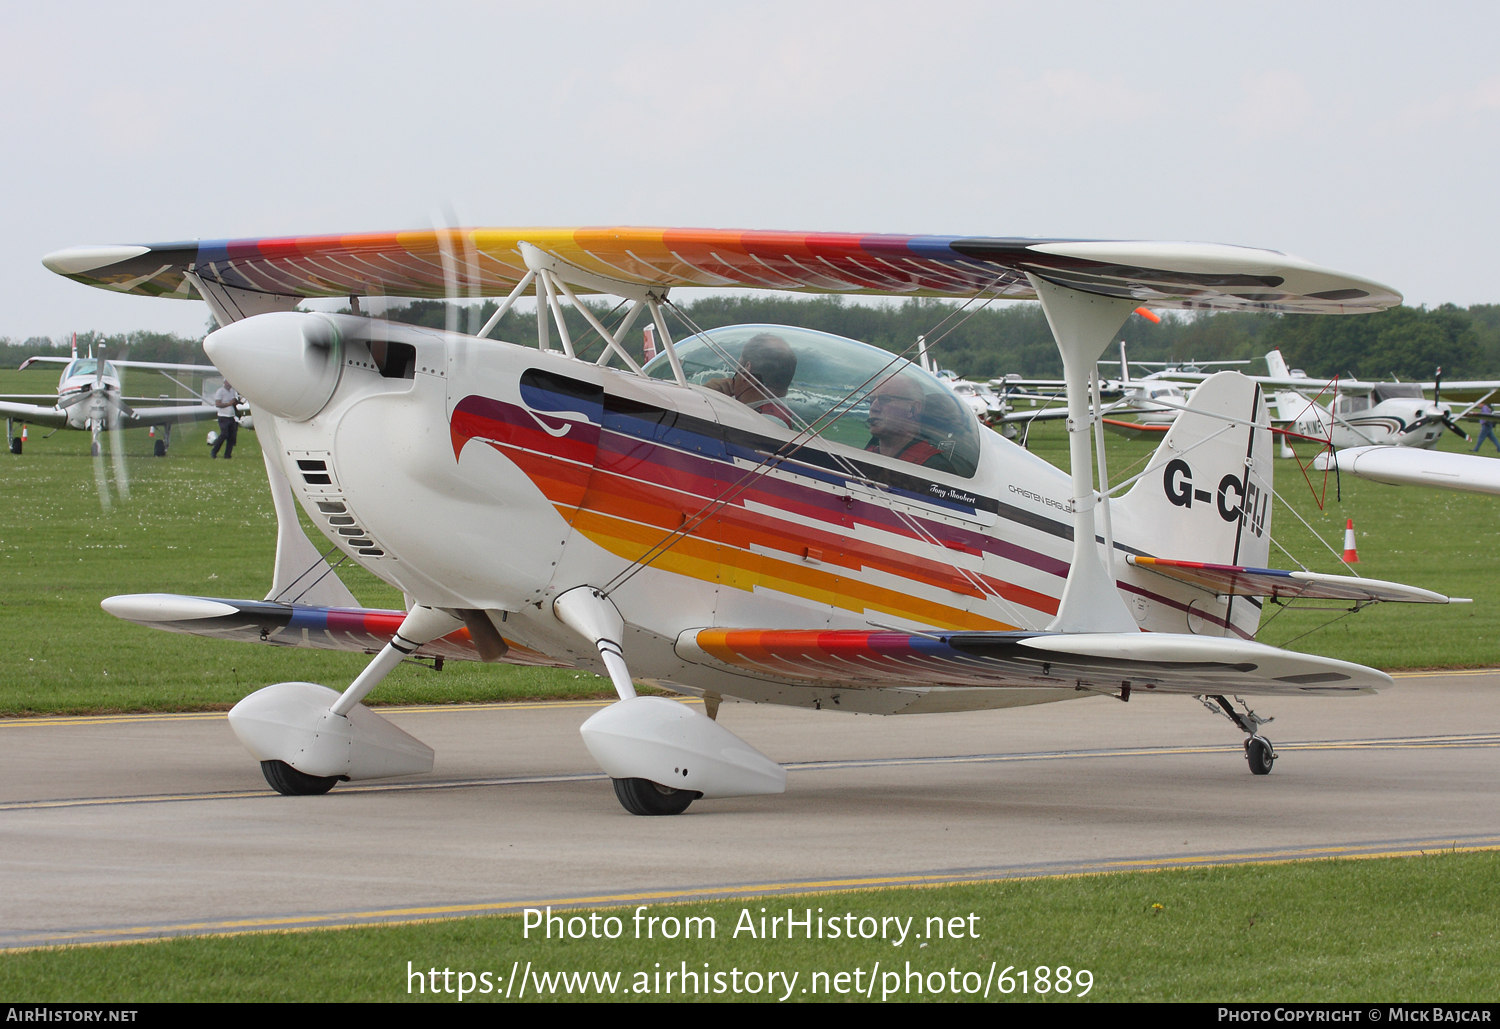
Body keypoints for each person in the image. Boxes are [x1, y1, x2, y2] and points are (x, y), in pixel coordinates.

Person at [864, 373, 955, 473]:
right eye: (871, 400)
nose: (873, 407)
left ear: (914, 409)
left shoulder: (933, 469)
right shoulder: (864, 458)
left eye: (885, 399)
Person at [705, 334, 798, 428]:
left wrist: (705, 400)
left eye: (738, 363)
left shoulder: (759, 424)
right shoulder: (778, 416)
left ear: (746, 369)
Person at [210, 379, 242, 459]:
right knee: (224, 434)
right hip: (223, 416)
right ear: (224, 382)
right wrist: (229, 404)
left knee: (231, 436)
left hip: (231, 416)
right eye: (228, 382)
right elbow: (218, 404)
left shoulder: (232, 391)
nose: (229, 384)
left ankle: (227, 455)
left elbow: (232, 401)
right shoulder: (220, 391)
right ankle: (214, 451)